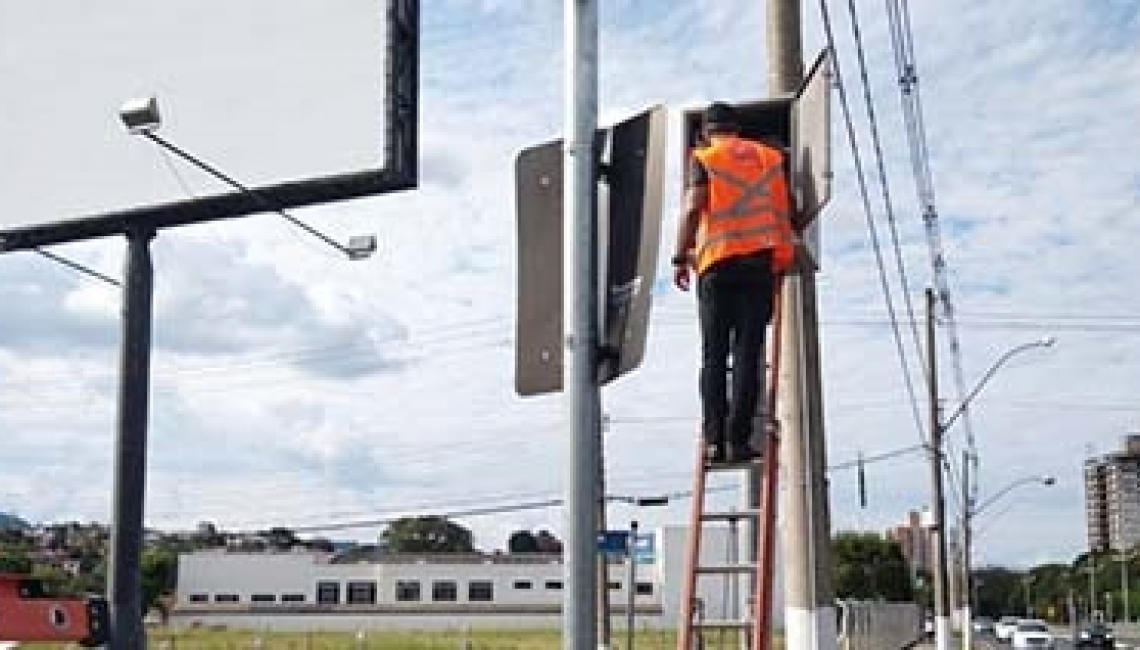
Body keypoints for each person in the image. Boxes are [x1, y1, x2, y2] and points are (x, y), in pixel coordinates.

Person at [670, 101, 797, 464]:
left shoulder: (705, 157)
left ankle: (714, 440)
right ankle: (739, 441)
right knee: (747, 354)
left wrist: (680, 256)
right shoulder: (770, 158)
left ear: (707, 132)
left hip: (717, 265)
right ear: (737, 130)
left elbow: (694, 206)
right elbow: (788, 206)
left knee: (714, 356)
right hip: (758, 265)